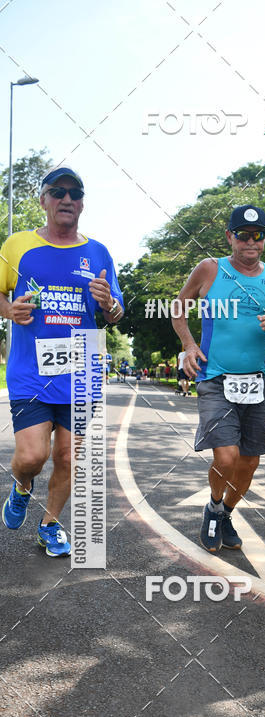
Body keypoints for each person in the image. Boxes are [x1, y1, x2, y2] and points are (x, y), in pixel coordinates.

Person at [0, 166, 124, 556]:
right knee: (32, 456)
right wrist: (10, 311)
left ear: (82, 203)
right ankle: (21, 486)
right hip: (30, 368)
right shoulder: (17, 245)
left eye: (75, 192)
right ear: (44, 200)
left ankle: (50, 525)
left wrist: (109, 305)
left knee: (69, 456)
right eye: (58, 192)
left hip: (83, 367)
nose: (66, 199)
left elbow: (115, 313)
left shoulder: (98, 252)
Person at [172, 204, 265, 552]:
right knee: (226, 458)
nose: (250, 242)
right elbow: (179, 306)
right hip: (215, 378)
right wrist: (189, 345)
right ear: (230, 236)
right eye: (243, 235)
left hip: (257, 381)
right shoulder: (210, 269)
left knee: (249, 462)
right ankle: (213, 507)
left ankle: (226, 513)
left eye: (257, 235)